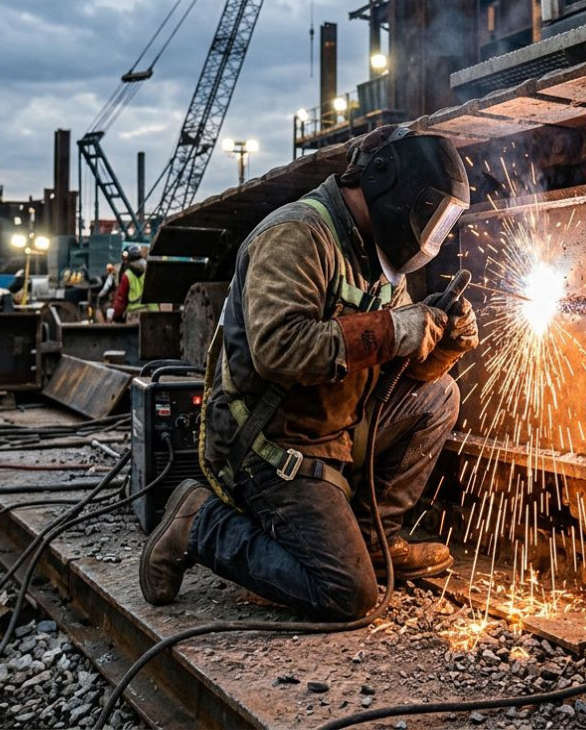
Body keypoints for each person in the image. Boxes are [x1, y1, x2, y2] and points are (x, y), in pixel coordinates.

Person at [138, 126, 477, 621]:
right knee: (348, 594)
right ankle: (200, 523)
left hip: (332, 427)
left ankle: (372, 537)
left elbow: (393, 365)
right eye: (430, 215)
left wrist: (442, 345)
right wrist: (395, 328)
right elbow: (278, 350)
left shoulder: (375, 258)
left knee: (438, 394)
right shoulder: (297, 234)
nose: (429, 231)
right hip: (270, 444)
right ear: (389, 184)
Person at [110, 245, 152, 323]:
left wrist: (115, 316)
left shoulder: (127, 275)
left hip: (134, 315)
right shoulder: (150, 271)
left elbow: (121, 299)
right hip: (150, 313)